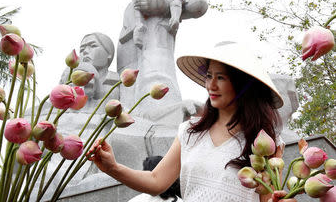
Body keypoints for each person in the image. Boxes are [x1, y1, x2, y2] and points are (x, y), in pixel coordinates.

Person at [88, 41, 297, 202]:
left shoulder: (264, 143)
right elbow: (155, 181)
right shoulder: (189, 132)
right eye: (208, 76)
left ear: (243, 85)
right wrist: (112, 167)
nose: (210, 85)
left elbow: (267, 196)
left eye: (221, 78)